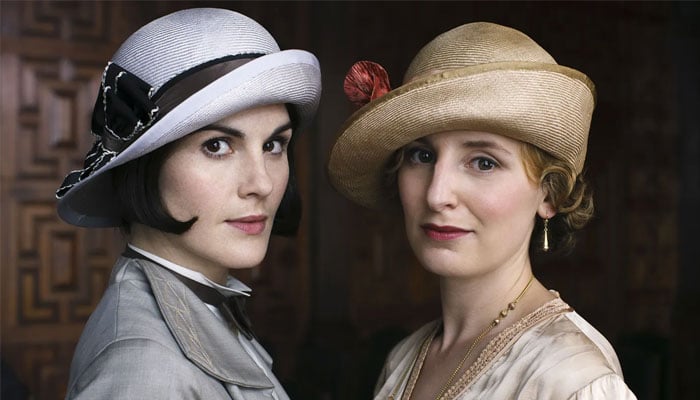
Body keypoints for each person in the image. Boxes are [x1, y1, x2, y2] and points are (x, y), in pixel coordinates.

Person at [328, 22, 636, 399]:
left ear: (549, 194)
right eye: (421, 156)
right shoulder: (404, 359)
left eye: (483, 162)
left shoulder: (571, 379)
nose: (437, 195)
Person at [55, 8, 321, 399]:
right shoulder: (145, 369)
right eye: (217, 146)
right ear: (144, 165)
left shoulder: (203, 305)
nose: (262, 183)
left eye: (273, 145)